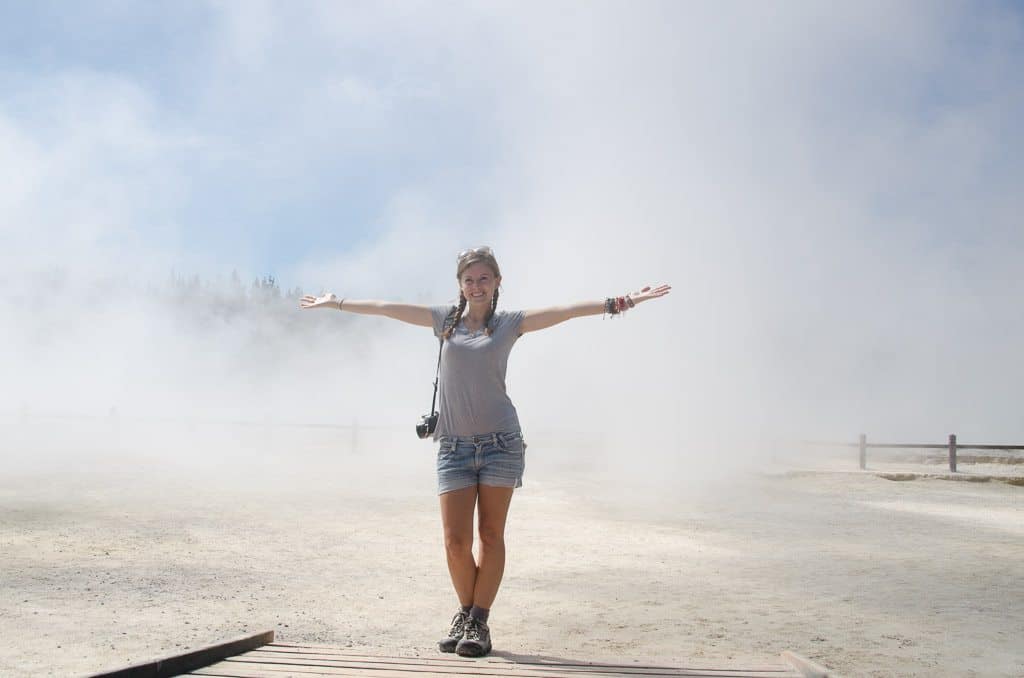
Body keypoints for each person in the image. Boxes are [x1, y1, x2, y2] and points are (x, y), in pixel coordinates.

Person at [300, 246, 670, 657]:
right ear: (460, 285)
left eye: (483, 278)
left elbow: (565, 311)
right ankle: (465, 612)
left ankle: (478, 622)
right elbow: (388, 308)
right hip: (453, 446)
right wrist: (337, 303)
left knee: (490, 535)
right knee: (455, 542)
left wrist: (622, 301)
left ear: (497, 283)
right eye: (469, 279)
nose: (476, 286)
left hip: (500, 444)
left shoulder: (510, 324)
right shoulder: (444, 320)